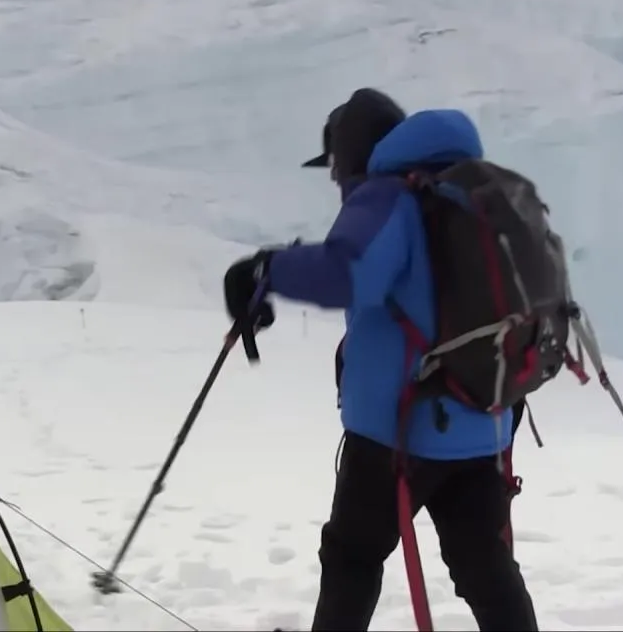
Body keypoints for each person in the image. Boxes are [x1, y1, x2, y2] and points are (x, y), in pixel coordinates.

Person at [222, 88, 538, 631]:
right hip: (484, 422)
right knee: (485, 567)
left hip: (398, 432)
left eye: (334, 166)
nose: (335, 179)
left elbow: (349, 271)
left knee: (352, 558)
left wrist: (263, 271)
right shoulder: (473, 193)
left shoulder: (388, 195)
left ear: (351, 155)